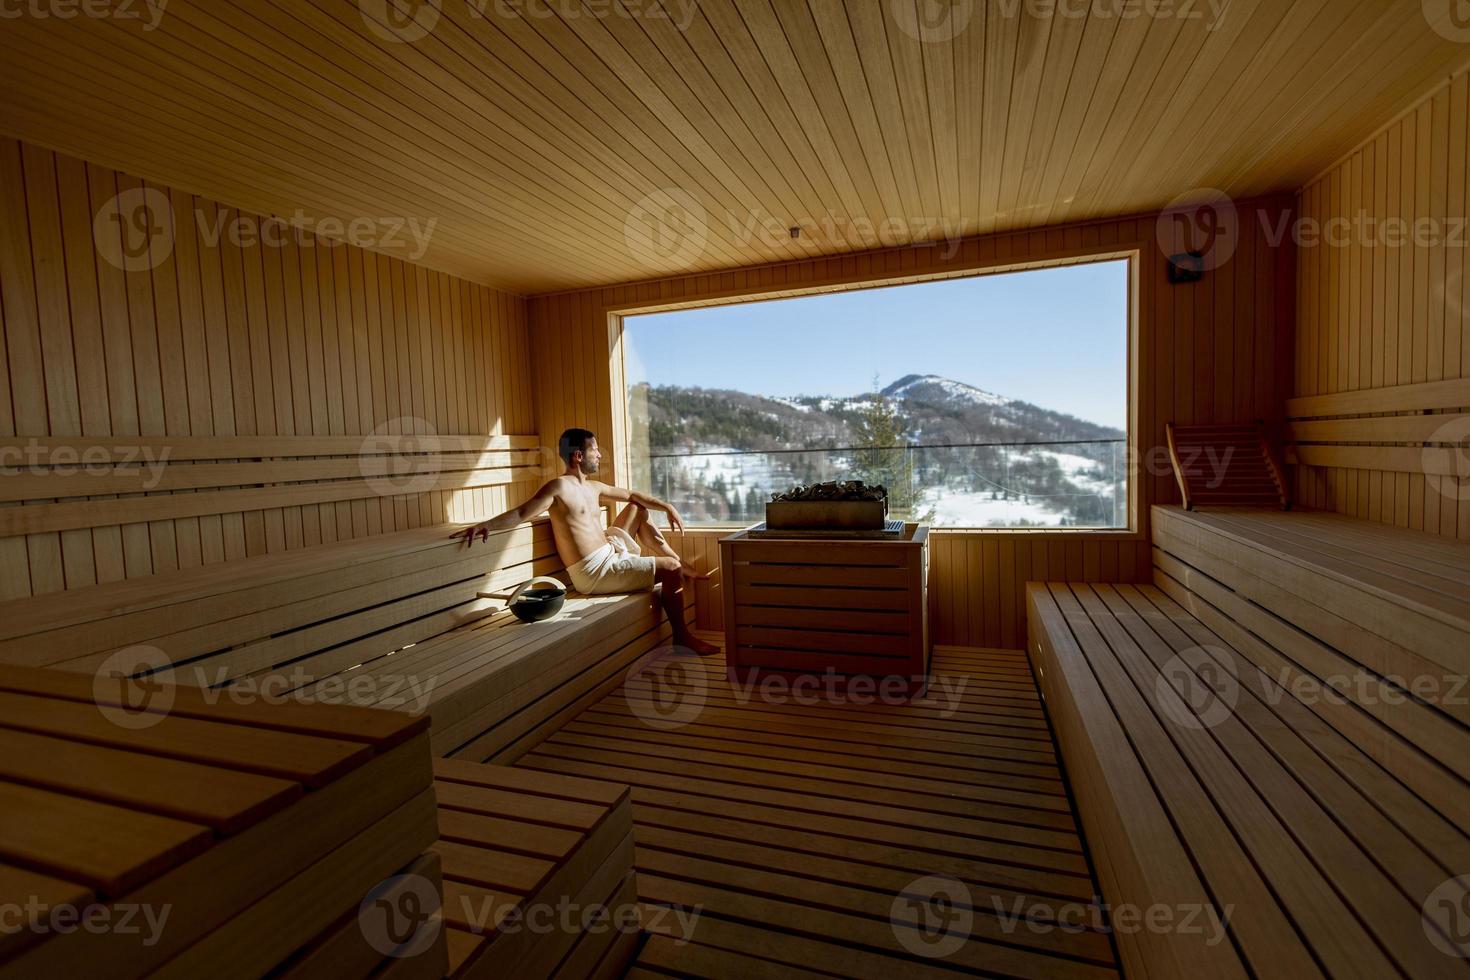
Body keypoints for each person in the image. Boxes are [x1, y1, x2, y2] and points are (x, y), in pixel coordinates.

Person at [452, 427, 718, 656]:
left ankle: (679, 563)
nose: (600, 455)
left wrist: (667, 506)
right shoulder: (559, 487)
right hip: (595, 571)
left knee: (637, 507)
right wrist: (486, 525)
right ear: (578, 456)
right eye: (595, 451)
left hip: (610, 550)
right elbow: (522, 512)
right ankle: (682, 636)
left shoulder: (593, 487)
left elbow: (632, 494)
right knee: (669, 568)